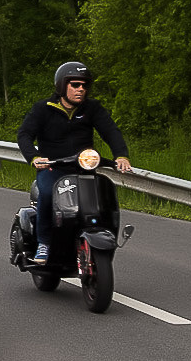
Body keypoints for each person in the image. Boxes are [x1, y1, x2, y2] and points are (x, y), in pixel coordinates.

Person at [16, 61, 131, 262]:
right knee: (47, 194)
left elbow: (110, 131)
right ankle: (44, 243)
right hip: (53, 169)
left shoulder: (92, 108)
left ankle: (104, 235)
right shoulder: (43, 108)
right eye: (75, 85)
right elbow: (24, 134)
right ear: (62, 85)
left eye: (85, 85)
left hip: (84, 169)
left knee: (102, 199)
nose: (81, 89)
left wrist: (121, 155)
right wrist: (34, 157)